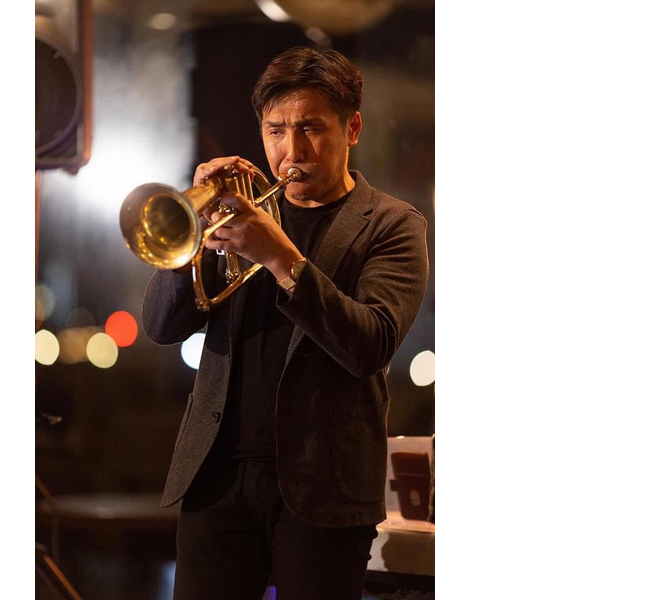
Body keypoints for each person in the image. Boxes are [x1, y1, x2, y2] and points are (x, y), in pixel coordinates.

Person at [142, 46, 429, 600]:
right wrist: (192, 231)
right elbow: (159, 325)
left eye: (311, 129)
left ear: (353, 129)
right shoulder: (236, 214)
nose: (291, 151)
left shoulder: (393, 224)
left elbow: (371, 344)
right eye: (276, 131)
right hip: (216, 475)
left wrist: (281, 259)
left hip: (324, 484)